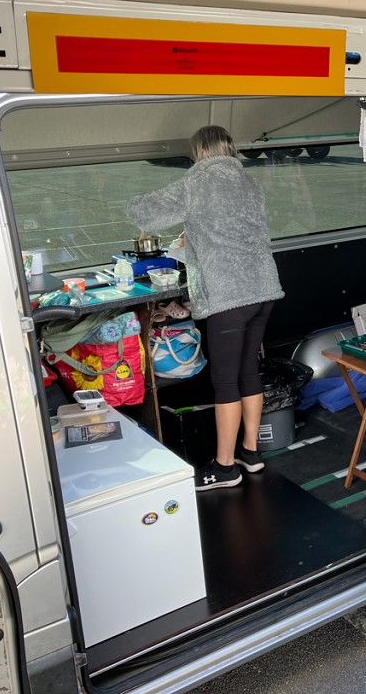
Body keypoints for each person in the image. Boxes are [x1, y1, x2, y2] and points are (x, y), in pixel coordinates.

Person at [127, 126, 284, 491]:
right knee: (249, 373)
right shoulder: (249, 183)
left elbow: (145, 214)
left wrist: (128, 196)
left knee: (225, 382)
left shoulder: (198, 181)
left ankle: (225, 467)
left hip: (229, 295)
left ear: (199, 151)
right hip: (263, 289)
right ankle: (251, 453)